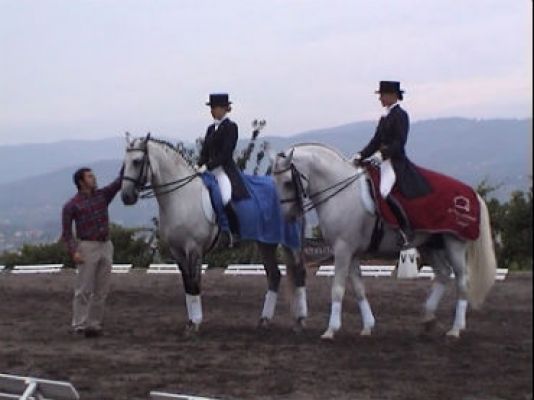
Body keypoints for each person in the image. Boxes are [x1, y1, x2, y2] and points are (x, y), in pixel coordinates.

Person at [352, 81, 431, 248]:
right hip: (380, 161)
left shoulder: (401, 115)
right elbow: (375, 141)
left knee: (384, 191)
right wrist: (360, 154)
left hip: (394, 162)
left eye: (382, 95)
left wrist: (382, 154)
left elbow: (399, 142)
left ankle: (405, 229)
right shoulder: (385, 116)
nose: (380, 98)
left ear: (392, 96)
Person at [61, 166, 123, 338]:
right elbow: (67, 233)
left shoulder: (102, 195)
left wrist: (127, 161)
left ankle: (94, 324)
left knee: (102, 289)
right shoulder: (72, 205)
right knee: (84, 288)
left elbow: (118, 183)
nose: (93, 178)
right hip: (87, 245)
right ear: (81, 182)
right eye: (89, 176)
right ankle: (79, 325)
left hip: (105, 244)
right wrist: (74, 251)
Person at [196, 93, 249, 247]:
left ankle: (232, 232)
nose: (212, 111)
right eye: (211, 108)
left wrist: (208, 166)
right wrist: (199, 164)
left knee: (225, 198)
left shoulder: (231, 127)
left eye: (215, 108)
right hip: (208, 170)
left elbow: (226, 154)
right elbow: (205, 151)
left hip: (223, 170)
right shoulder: (210, 128)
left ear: (224, 109)